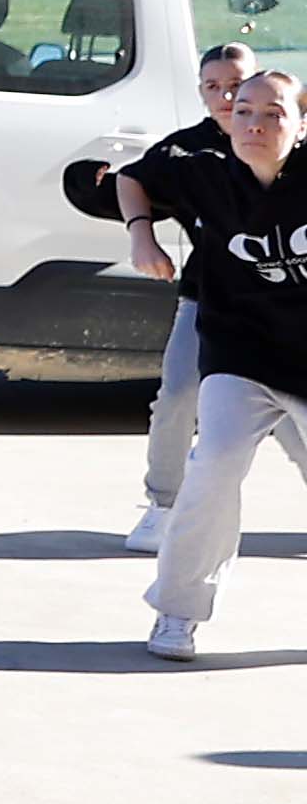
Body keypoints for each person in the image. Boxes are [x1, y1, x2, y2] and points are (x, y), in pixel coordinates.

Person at [119, 69, 307, 662]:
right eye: (243, 110)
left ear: (300, 126)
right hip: (240, 353)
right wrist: (141, 236)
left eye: (273, 113)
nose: (253, 123)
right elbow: (130, 177)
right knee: (214, 466)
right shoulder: (203, 171)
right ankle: (177, 612)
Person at [69, 45, 255, 551]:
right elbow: (133, 176)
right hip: (210, 298)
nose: (227, 96)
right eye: (213, 86)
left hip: (288, 302)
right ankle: (163, 504)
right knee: (177, 394)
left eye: (237, 83)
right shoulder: (189, 152)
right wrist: (141, 236)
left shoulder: (283, 139)